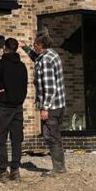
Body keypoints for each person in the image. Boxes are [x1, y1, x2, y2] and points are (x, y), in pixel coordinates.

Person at [23, 32, 67, 175]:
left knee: (51, 136)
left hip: (51, 106)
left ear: (41, 45)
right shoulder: (51, 54)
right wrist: (25, 48)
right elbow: (37, 58)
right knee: (55, 135)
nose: (34, 46)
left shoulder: (46, 60)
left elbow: (50, 87)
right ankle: (60, 167)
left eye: (35, 44)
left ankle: (59, 168)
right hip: (59, 104)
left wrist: (45, 108)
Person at [0, 37, 28, 181]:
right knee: (16, 139)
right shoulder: (22, 66)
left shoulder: (1, 64)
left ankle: (2, 171)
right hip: (18, 107)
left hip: (4, 107)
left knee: (0, 139)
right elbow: (25, 85)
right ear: (16, 49)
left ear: (5, 48)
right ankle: (15, 171)